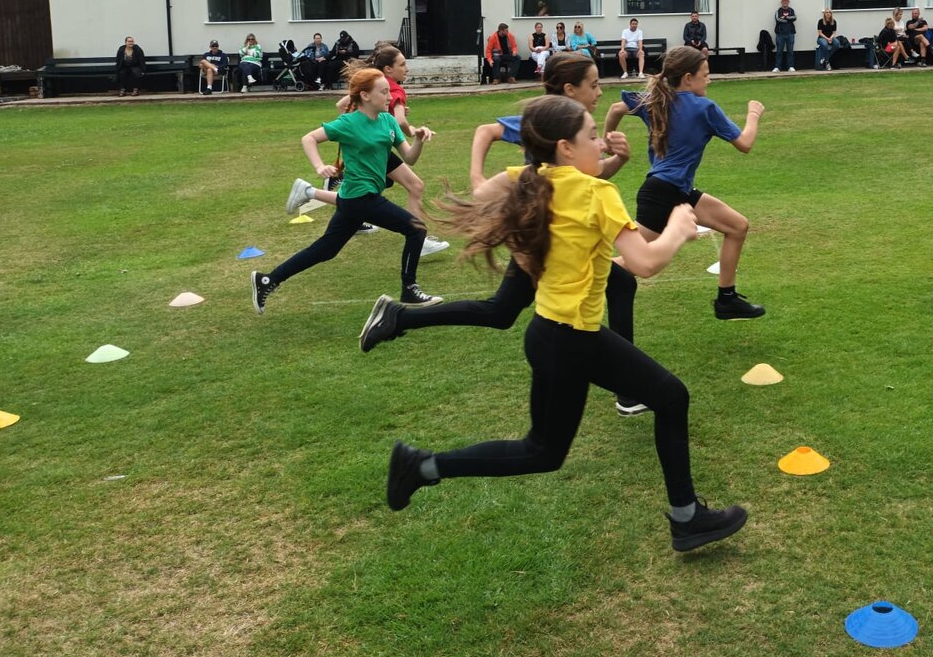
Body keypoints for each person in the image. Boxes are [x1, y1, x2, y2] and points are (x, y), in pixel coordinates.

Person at [384, 95, 749, 554]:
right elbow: (646, 262)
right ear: (565, 148)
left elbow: (485, 194)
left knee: (557, 444)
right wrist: (678, 225)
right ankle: (687, 518)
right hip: (570, 340)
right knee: (573, 438)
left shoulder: (527, 179)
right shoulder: (598, 194)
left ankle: (421, 467)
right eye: (592, 137)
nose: (601, 141)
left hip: (553, 335)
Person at [363, 52, 647, 414]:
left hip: (561, 236)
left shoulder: (576, 127)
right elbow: (487, 131)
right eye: (593, 85)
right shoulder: (548, 119)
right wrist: (479, 179)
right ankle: (629, 389)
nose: (599, 93)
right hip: (541, 239)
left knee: (508, 310)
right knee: (506, 310)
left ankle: (399, 318)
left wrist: (619, 159)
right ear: (570, 89)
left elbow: (586, 182)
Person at [251, 65, 442, 316]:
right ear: (365, 96)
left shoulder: (387, 121)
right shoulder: (348, 123)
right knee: (415, 228)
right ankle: (409, 289)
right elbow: (309, 138)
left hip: (354, 199)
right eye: (384, 92)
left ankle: (267, 280)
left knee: (325, 250)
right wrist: (320, 166)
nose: (390, 97)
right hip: (361, 197)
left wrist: (418, 139)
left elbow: (410, 158)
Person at [605, 46, 767, 320]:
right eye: (705, 75)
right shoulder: (704, 107)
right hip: (663, 193)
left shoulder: (655, 99)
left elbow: (615, 108)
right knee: (633, 262)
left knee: (738, 226)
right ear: (688, 78)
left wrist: (609, 138)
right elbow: (745, 143)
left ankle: (726, 300)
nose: (709, 80)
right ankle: (577, 274)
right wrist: (754, 114)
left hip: (672, 190)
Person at [286, 45, 451, 257]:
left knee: (369, 193)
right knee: (406, 187)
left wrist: (364, 120)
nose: (407, 69)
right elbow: (399, 120)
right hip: (376, 145)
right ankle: (419, 237)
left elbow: (341, 105)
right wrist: (411, 131)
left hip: (374, 142)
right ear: (388, 69)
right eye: (402, 64)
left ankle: (312, 193)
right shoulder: (394, 89)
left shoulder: (371, 81)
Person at [772, 0, 797, 72]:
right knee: (779, 51)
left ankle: (790, 66)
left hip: (790, 33)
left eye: (786, 1)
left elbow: (794, 18)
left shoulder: (791, 10)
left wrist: (785, 17)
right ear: (781, 2)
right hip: (780, 34)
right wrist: (788, 19)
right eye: (783, 1)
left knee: (790, 51)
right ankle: (777, 67)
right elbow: (778, 19)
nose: (785, 2)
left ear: (788, 2)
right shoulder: (778, 11)